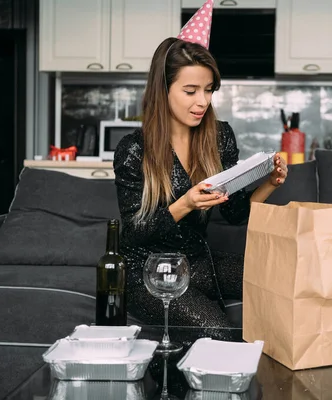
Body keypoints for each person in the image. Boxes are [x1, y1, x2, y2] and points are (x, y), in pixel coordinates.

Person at [113, 0, 288, 330]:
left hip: (198, 262)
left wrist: (268, 183)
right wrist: (186, 204)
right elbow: (134, 235)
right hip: (148, 271)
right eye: (190, 90)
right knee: (216, 329)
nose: (202, 102)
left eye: (208, 90)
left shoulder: (219, 136)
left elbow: (236, 214)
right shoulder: (134, 149)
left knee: (282, 277)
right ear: (163, 89)